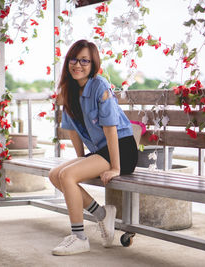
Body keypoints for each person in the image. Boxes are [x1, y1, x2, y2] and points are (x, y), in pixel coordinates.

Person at [49, 39, 138, 256]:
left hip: (121, 148)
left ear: (93, 64)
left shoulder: (100, 86)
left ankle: (79, 237)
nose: (77, 65)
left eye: (84, 61)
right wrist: (81, 159)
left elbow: (110, 129)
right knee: (55, 175)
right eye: (73, 59)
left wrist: (116, 168)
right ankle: (101, 214)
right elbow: (72, 129)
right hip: (101, 151)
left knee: (68, 176)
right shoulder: (68, 90)